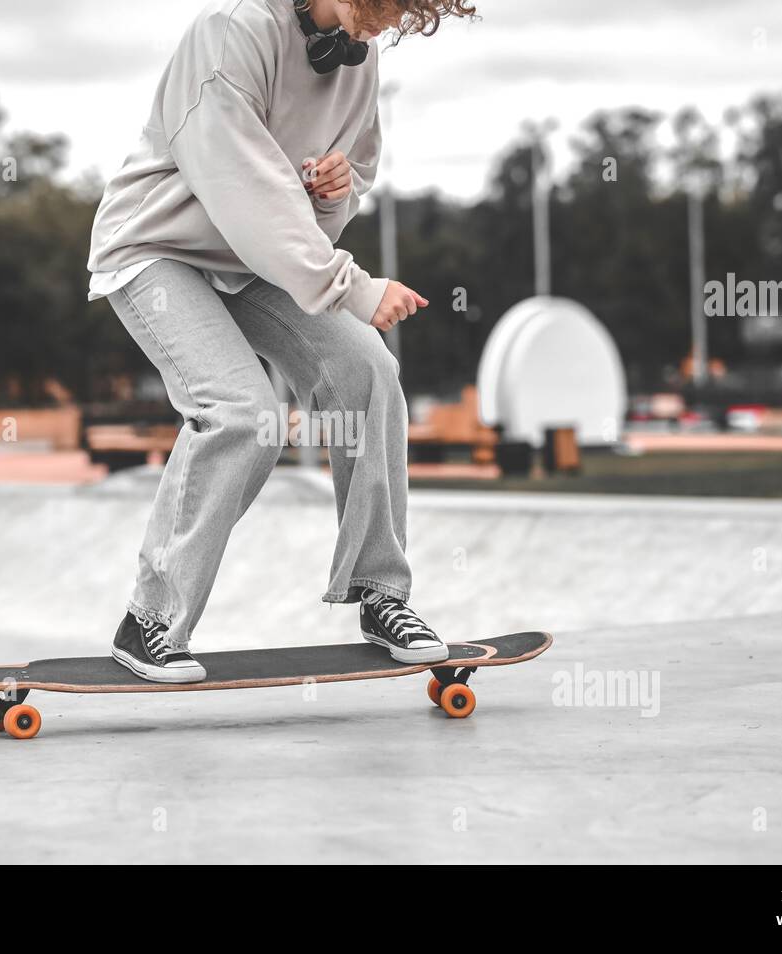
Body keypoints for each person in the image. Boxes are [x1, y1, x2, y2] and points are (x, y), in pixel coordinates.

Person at [86, 0, 477, 683]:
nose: (386, 24)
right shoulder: (231, 33)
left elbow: (340, 191)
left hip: (256, 263)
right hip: (157, 251)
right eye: (381, 6)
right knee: (245, 414)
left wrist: (334, 191)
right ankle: (150, 616)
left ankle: (379, 591)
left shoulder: (361, 57)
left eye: (400, 13)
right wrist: (351, 287)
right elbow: (244, 191)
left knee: (369, 371)